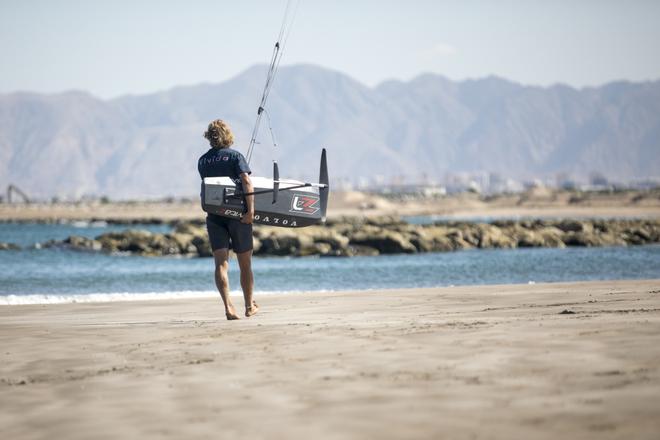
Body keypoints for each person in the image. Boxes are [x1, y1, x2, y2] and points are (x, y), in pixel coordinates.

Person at [198, 119, 258, 320]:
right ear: (227, 135)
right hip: (238, 216)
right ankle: (249, 306)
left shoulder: (202, 161)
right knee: (245, 263)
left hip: (214, 217)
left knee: (220, 264)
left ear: (209, 136)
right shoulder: (235, 156)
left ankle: (228, 307)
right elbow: (246, 181)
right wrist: (250, 211)